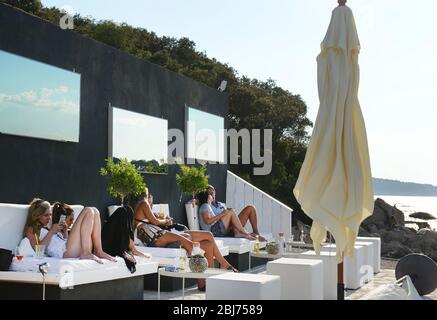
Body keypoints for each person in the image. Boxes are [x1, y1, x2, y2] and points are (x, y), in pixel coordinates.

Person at [132, 189, 237, 290]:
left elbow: (156, 222)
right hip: (156, 236)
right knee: (194, 241)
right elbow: (155, 222)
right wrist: (165, 221)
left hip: (160, 234)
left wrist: (165, 221)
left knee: (208, 243)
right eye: (149, 196)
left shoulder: (142, 208)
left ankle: (203, 283)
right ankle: (218, 264)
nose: (150, 200)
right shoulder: (143, 204)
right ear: (145, 195)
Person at [23, 198, 116, 264]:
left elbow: (60, 242)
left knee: (95, 211)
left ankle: (98, 251)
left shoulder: (46, 228)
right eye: (46, 215)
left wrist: (64, 233)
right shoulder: (31, 229)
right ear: (37, 215)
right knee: (88, 210)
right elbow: (38, 251)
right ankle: (86, 252)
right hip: (65, 252)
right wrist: (51, 232)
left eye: (50, 215)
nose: (49, 218)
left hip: (68, 249)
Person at [101, 205, 151, 273]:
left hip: (110, 248)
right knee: (123, 213)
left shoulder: (123, 229)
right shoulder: (113, 229)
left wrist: (144, 256)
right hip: (108, 249)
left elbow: (133, 249)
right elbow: (132, 249)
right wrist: (123, 253)